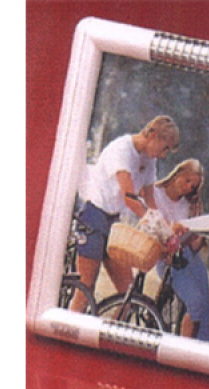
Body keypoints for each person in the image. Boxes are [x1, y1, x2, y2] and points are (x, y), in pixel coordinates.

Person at [70, 115, 180, 312]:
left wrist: (167, 231)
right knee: (86, 288)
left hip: (113, 223)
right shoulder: (122, 149)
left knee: (129, 294)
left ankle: (111, 330)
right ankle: (67, 328)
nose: (164, 155)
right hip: (93, 216)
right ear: (153, 135)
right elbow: (129, 198)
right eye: (164, 148)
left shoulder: (149, 160)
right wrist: (156, 226)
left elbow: (150, 200)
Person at [152, 158, 209, 342]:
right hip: (166, 257)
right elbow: (150, 225)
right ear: (178, 173)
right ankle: (186, 348)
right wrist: (172, 230)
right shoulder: (155, 193)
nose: (187, 188)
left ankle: (202, 345)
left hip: (186, 255)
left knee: (205, 306)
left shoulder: (188, 204)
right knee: (196, 303)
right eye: (187, 181)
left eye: (192, 186)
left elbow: (194, 247)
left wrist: (200, 231)